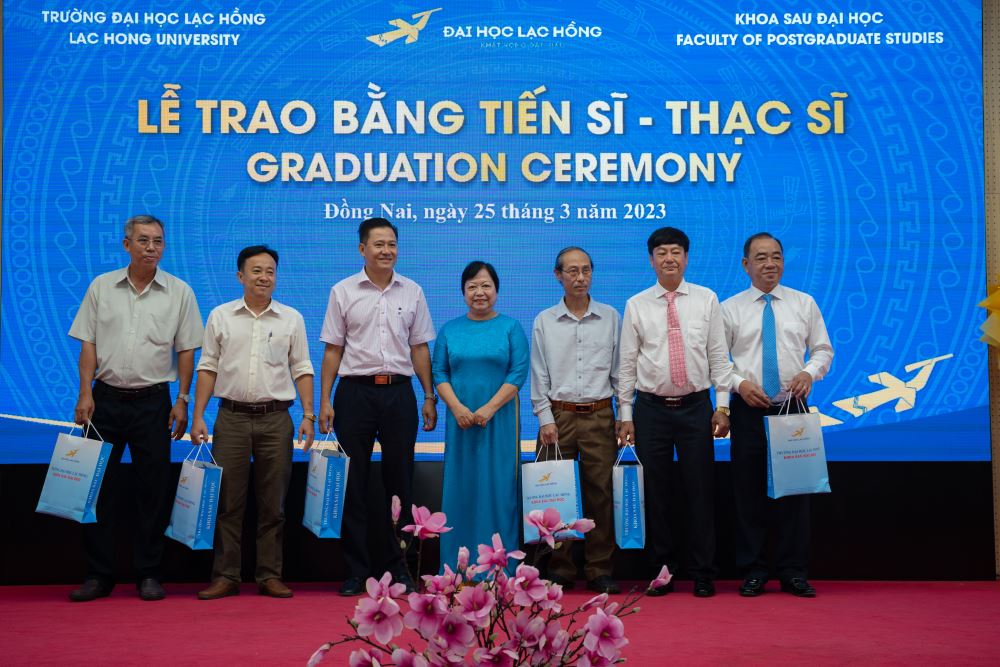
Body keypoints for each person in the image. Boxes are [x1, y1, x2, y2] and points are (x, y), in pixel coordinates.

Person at [67, 214, 203, 602]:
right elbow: (88, 343)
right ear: (127, 245)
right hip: (104, 400)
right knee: (96, 489)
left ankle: (149, 573)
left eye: (158, 241)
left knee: (153, 491)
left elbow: (187, 350)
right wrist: (85, 392)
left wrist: (183, 399)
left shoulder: (179, 292)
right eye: (143, 240)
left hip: (153, 403)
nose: (151, 248)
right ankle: (98, 575)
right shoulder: (102, 286)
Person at [618, 227, 742, 598]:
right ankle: (662, 571)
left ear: (686, 258)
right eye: (661, 252)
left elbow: (719, 356)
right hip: (651, 410)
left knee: (700, 491)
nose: (669, 258)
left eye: (675, 251)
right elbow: (627, 364)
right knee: (656, 494)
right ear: (651, 260)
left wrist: (723, 405)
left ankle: (703, 571)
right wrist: (625, 413)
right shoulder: (637, 304)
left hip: (696, 408)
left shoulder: (707, 299)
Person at [319, 218, 437, 596]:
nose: (387, 250)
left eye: (392, 244)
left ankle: (400, 567)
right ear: (362, 249)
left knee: (400, 482)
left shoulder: (412, 291)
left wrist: (429, 395)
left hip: (399, 394)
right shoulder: (343, 291)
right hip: (354, 394)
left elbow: (419, 347)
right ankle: (356, 571)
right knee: (352, 484)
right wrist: (325, 399)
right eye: (379, 244)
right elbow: (333, 349)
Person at [191, 245, 315, 600]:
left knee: (273, 504)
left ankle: (269, 575)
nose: (264, 277)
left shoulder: (291, 318)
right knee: (228, 502)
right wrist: (198, 415)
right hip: (230, 418)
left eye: (270, 271)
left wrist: (308, 415)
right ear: (240, 276)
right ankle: (226, 576)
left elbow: (302, 367)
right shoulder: (221, 316)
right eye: (256, 271)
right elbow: (208, 366)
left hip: (276, 420)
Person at [715, 232, 834, 598]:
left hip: (792, 409)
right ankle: (754, 569)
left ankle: (793, 571)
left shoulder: (803, 302)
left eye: (776, 256)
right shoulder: (730, 308)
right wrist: (738, 385)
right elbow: (717, 362)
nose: (770, 264)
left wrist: (808, 373)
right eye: (762, 257)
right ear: (745, 264)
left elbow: (823, 350)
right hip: (749, 411)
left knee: (795, 493)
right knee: (748, 492)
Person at [530, 247, 621, 594]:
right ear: (558, 275)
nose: (580, 277)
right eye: (572, 271)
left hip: (600, 413)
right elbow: (539, 373)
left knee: (601, 494)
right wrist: (544, 417)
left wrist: (624, 413)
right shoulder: (544, 320)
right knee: (555, 496)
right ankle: (560, 567)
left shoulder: (610, 317)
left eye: (586, 270)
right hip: (559, 417)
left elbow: (619, 371)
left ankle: (599, 568)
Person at [433, 261, 529, 573]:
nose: (479, 292)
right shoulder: (449, 330)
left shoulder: (511, 327)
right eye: (472, 286)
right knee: (461, 489)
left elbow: (518, 372)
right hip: (460, 421)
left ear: (496, 290)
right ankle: (456, 568)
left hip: (500, 420)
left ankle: (499, 567)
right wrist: (457, 408)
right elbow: (439, 372)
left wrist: (489, 408)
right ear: (463, 292)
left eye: (486, 285)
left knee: (499, 489)